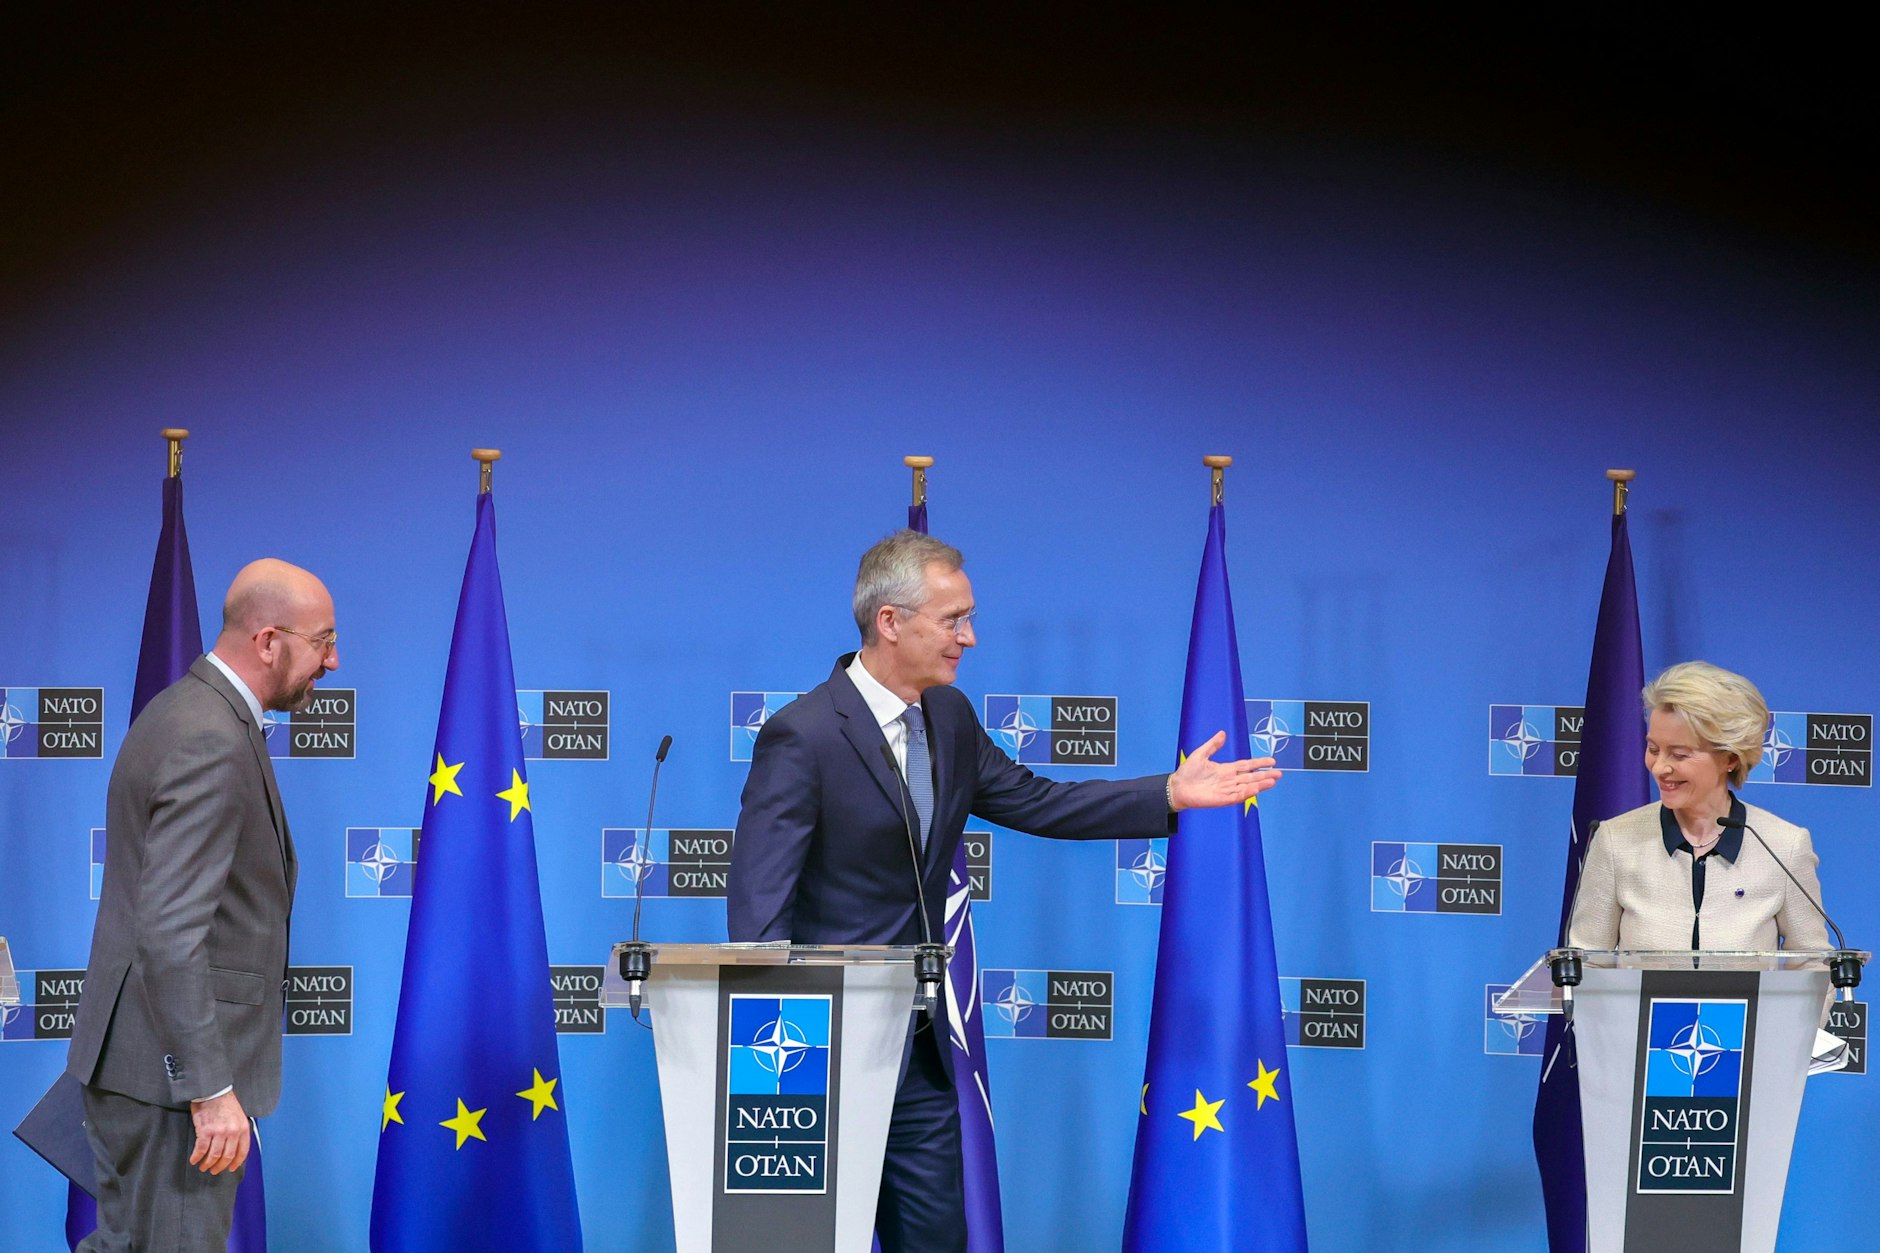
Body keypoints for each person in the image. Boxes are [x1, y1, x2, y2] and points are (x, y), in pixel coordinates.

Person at [727, 530, 1279, 1253]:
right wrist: (775, 1064)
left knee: (935, 1240)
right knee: (798, 1242)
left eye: (968, 618)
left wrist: (1168, 793)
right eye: (953, 620)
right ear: (890, 621)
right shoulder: (803, 735)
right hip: (811, 1052)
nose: (970, 637)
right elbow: (759, 911)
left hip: (920, 1050)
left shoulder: (950, 717)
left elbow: (1038, 801)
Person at [66, 559, 337, 1251]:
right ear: (268, 641)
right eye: (323, 641)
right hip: (168, 1087)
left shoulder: (187, 711)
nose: (332, 661)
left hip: (143, 1071)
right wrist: (210, 1089)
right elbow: (170, 931)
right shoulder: (210, 736)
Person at [1568, 660, 1830, 953]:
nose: (1659, 767)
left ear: (1730, 758)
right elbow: (1584, 964)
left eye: (1679, 754)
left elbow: (1812, 964)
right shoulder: (1615, 841)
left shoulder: (1784, 846)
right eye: (1653, 749)